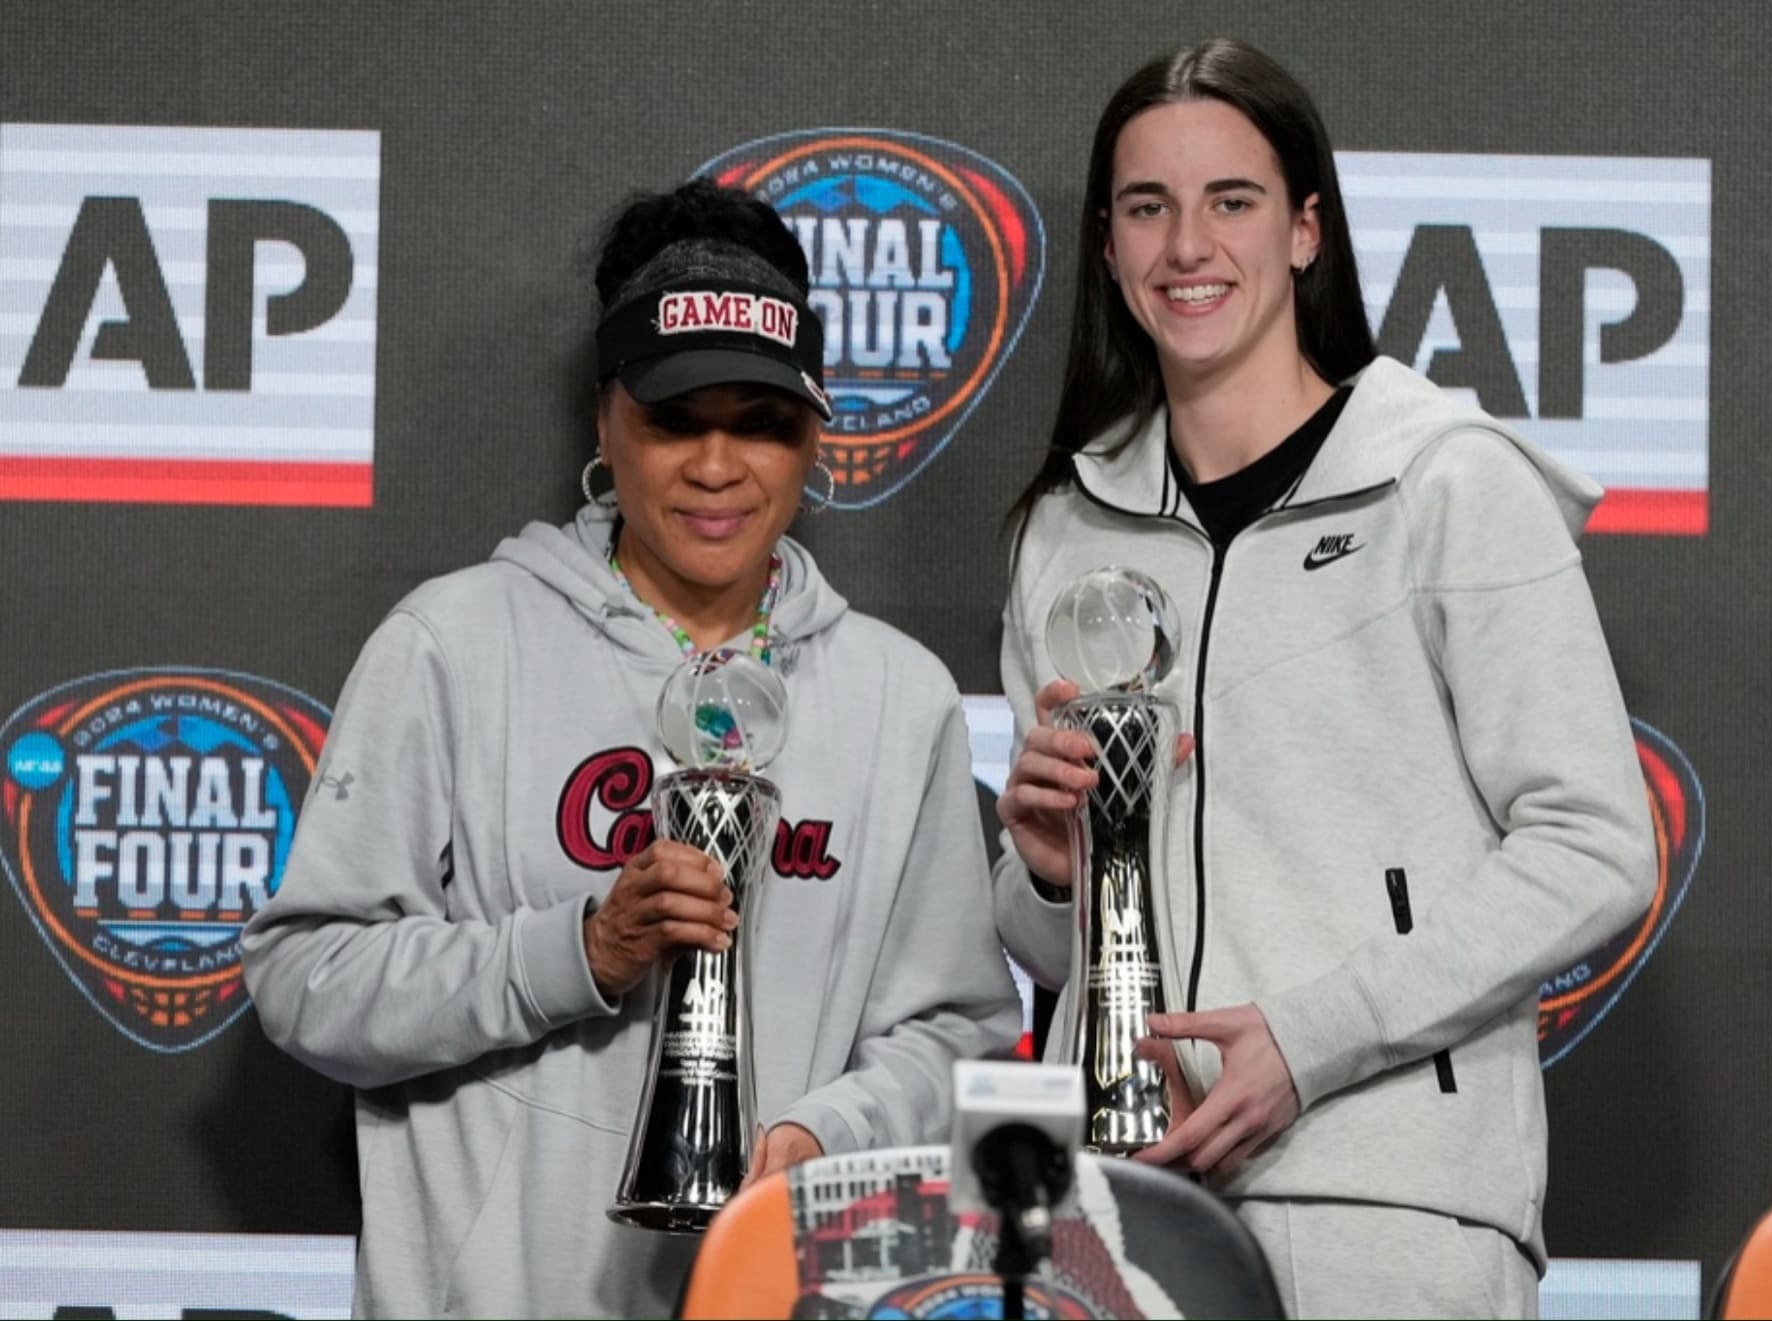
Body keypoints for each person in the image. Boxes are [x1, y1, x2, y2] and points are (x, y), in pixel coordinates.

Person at [242, 179, 1020, 1318]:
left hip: (776, 1294)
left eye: (759, 422)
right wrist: (583, 950)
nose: (717, 465)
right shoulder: (455, 640)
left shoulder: (899, 696)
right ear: (607, 420)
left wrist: (826, 1133)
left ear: (816, 434)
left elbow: (956, 1031)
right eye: (673, 418)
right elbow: (306, 979)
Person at [992, 38, 1656, 1320]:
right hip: (1115, 1204)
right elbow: (1038, 946)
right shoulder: (1061, 531)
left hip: (1389, 1200)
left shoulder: (1448, 482)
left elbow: (1596, 843)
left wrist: (1312, 1037)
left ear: (1305, 231)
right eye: (1148, 207)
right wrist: (1042, 869)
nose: (1188, 244)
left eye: (1230, 201)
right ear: (1112, 245)